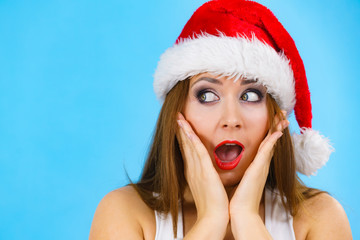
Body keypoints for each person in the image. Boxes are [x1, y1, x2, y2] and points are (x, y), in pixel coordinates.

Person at [89, 0, 352, 239]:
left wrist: (247, 219)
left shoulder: (320, 217)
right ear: (177, 113)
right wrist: (210, 221)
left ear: (274, 119)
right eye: (206, 96)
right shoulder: (124, 212)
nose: (231, 119)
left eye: (250, 95)